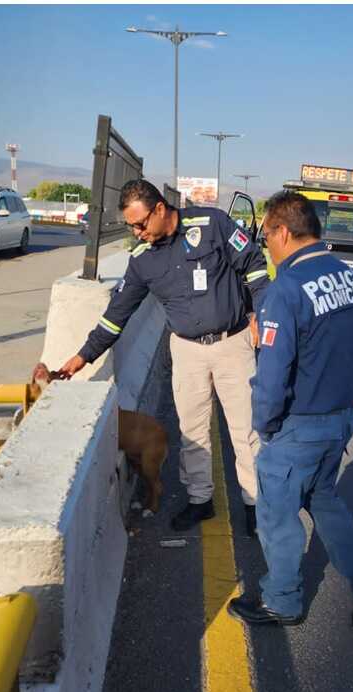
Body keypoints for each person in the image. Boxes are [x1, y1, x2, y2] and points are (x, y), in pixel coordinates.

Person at [58, 179, 270, 535]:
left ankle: (254, 504)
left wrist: (262, 315)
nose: (137, 232)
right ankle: (200, 500)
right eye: (130, 226)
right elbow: (117, 314)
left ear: (160, 209)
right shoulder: (141, 261)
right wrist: (83, 356)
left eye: (140, 224)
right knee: (192, 430)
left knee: (245, 430)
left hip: (232, 343)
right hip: (186, 350)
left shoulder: (213, 224)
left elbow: (255, 267)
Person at [228, 190, 353, 628]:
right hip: (341, 420)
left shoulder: (284, 290)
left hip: (297, 427)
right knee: (326, 503)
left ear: (283, 231)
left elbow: (272, 372)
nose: (266, 247)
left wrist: (265, 426)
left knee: (277, 514)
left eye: (266, 237)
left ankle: (281, 601)